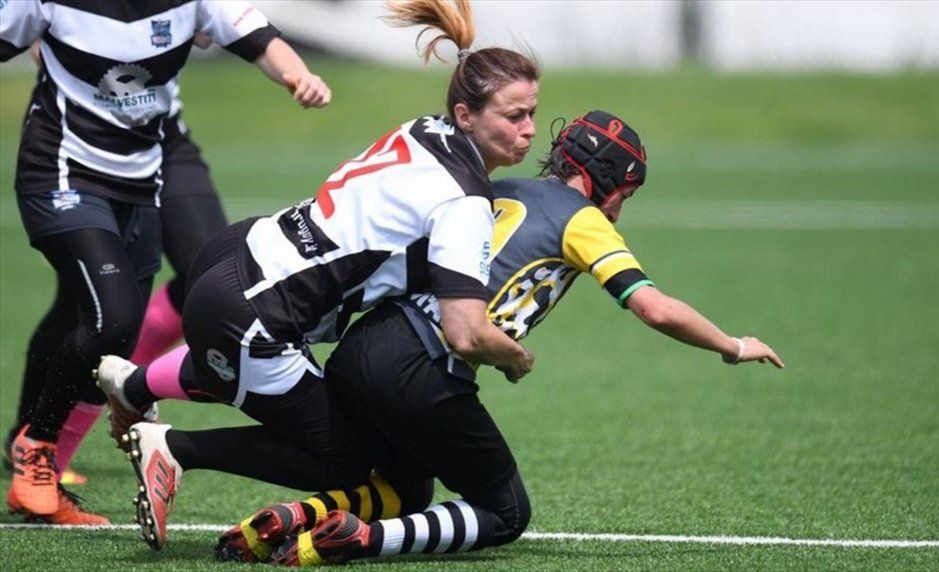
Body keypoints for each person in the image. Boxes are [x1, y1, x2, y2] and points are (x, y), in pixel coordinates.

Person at [215, 110, 784, 566]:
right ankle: (354, 543)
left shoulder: (491, 185)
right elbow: (655, 309)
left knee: (406, 488)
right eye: (624, 195)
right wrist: (731, 346)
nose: (619, 209)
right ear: (602, 180)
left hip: (362, 347)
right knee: (505, 511)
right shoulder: (584, 220)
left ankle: (289, 522)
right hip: (423, 366)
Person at [95, 0, 540, 551]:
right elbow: (465, 330)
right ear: (466, 114)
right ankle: (176, 448)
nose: (529, 131)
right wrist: (513, 356)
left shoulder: (423, 130)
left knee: (258, 379)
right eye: (514, 116)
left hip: (238, 253)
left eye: (532, 114)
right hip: (257, 315)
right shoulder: (465, 200)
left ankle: (134, 384)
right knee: (348, 457)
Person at [1, 0, 332, 524]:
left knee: (117, 309)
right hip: (61, 172)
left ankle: (114, 399)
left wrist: (299, 77)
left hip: (146, 171)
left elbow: (260, 39)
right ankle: (37, 449)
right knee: (112, 316)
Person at [2, 34, 227, 491]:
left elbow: (211, 28)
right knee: (89, 306)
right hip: (84, 150)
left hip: (163, 139)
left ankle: (126, 380)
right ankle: (32, 439)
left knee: (214, 274)